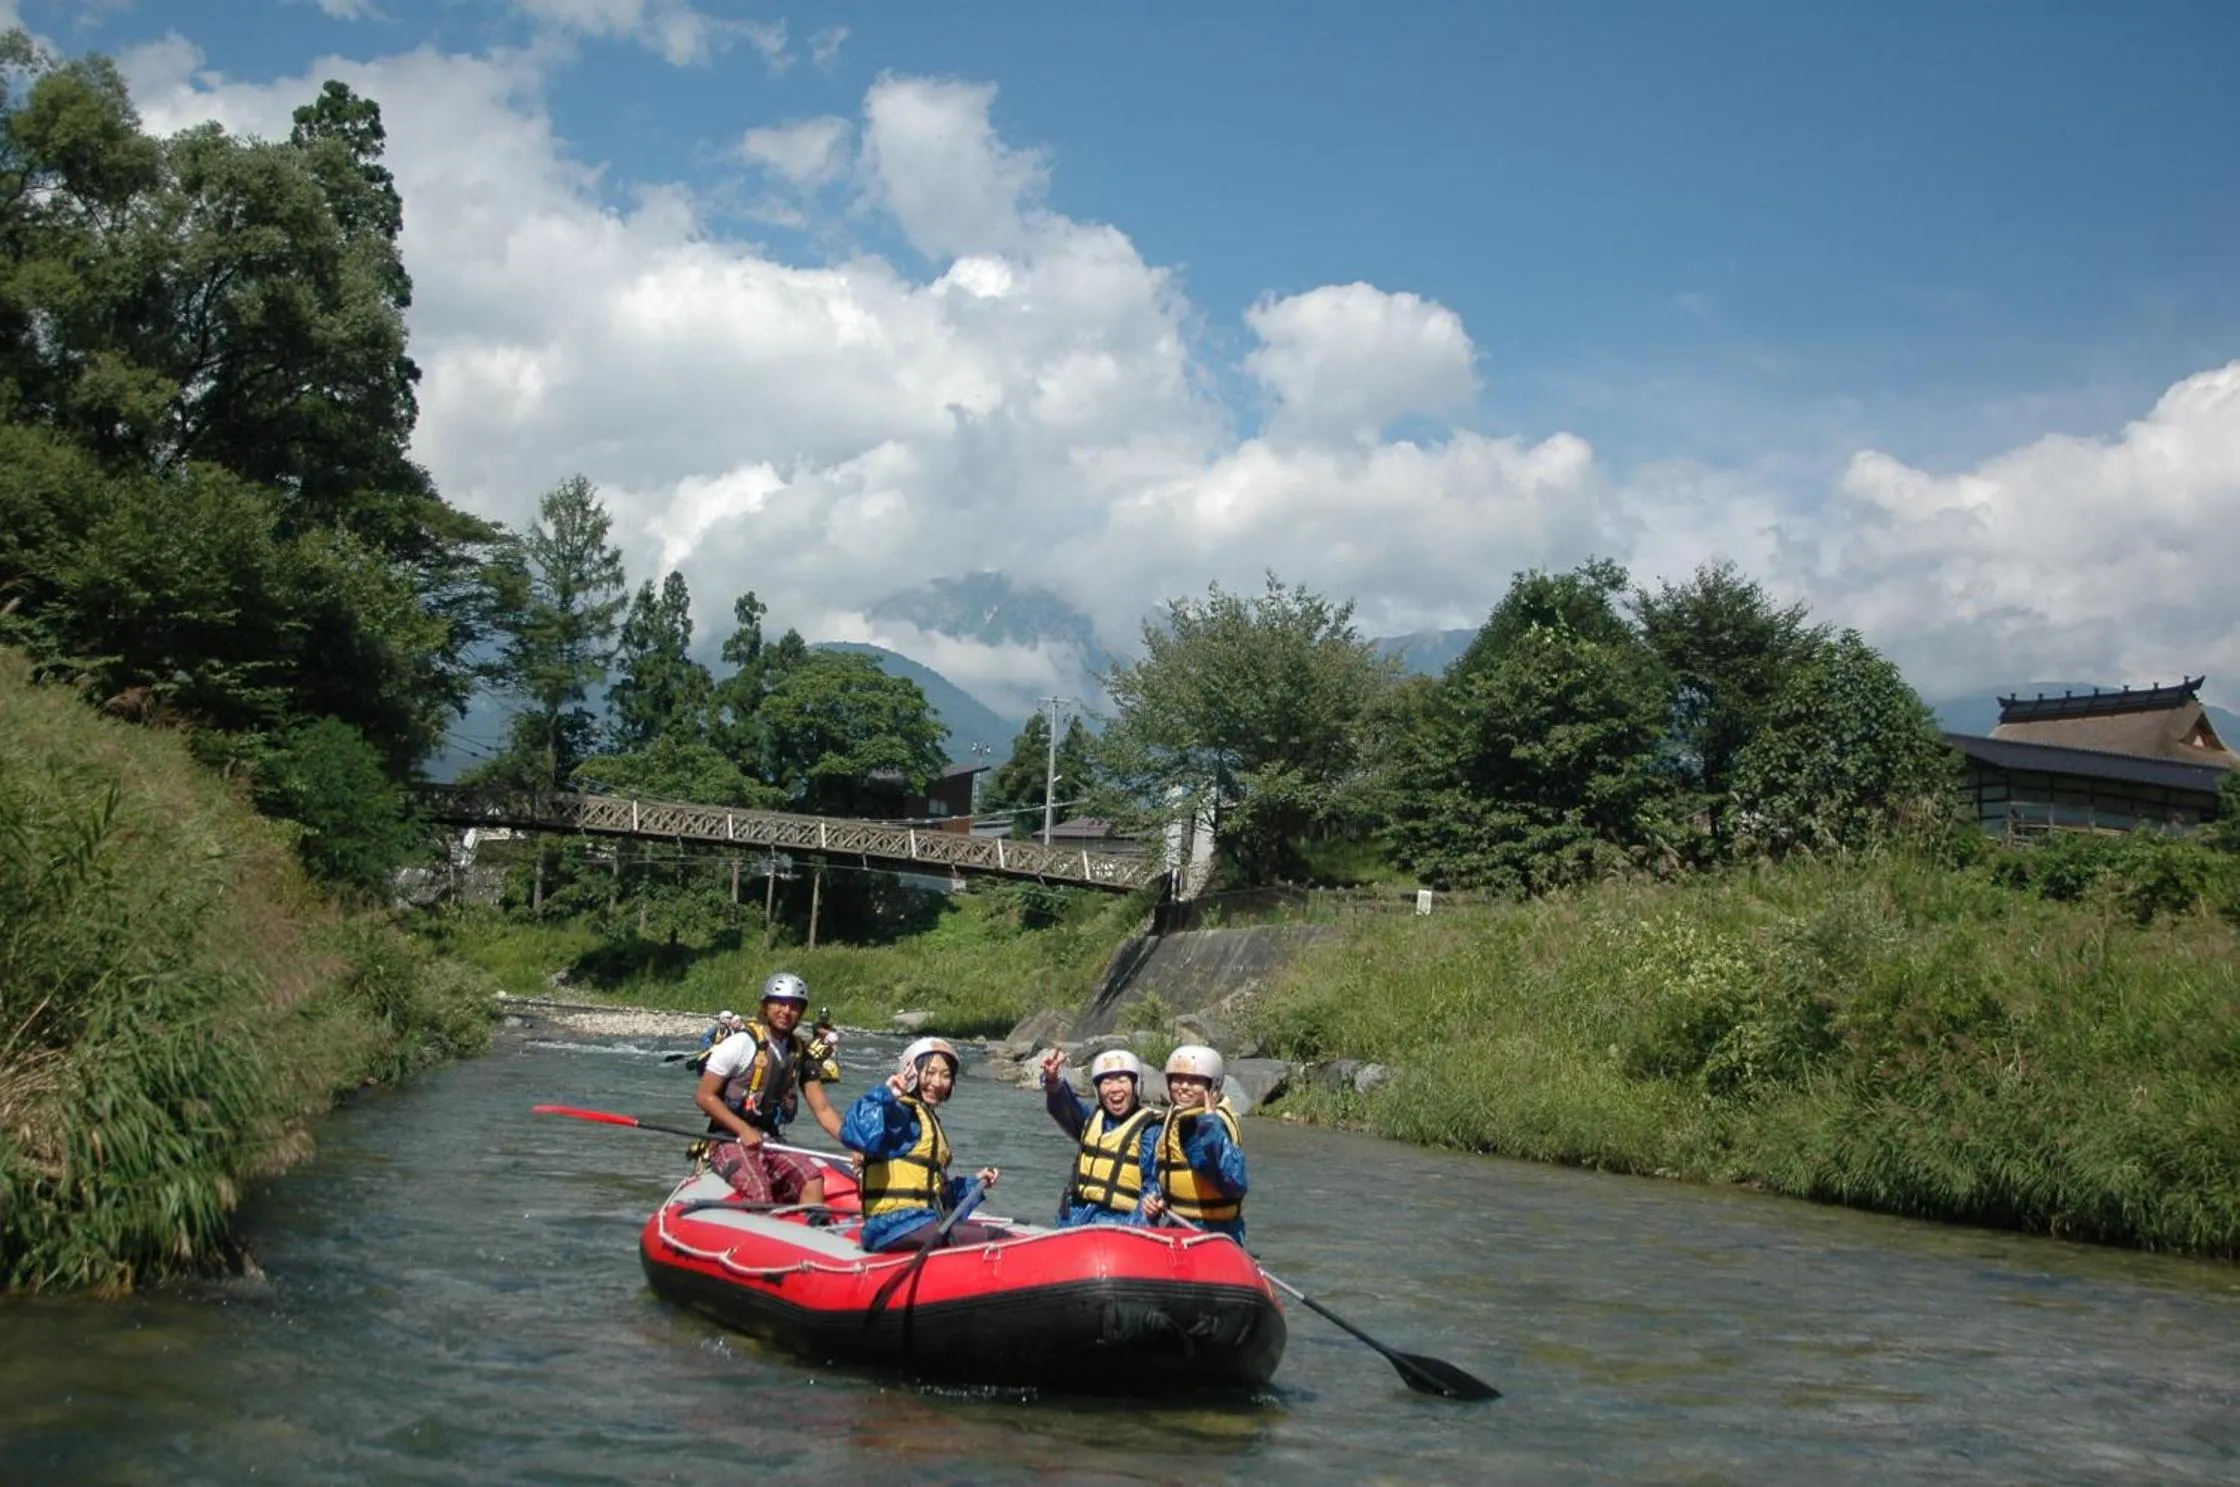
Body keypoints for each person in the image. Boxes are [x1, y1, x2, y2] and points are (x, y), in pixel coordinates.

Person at [841, 1035, 1004, 1252]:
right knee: (998, 1239)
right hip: (894, 1227)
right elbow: (856, 1132)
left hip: (918, 1224)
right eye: (931, 1073)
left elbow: (936, 1199)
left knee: (986, 1235)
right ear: (911, 1073)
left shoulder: (926, 1121)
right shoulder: (901, 1115)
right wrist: (886, 1095)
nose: (937, 1083)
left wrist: (974, 1183)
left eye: (945, 1075)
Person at [694, 973, 844, 1208]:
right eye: (779, 1003)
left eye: (794, 1006)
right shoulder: (741, 1043)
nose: (786, 1011)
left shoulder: (798, 1052)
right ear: (765, 1005)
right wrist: (743, 1129)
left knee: (812, 1180)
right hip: (727, 1139)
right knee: (759, 1191)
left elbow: (823, 1110)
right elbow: (705, 1096)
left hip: (770, 1140)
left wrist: (856, 1146)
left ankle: (810, 1233)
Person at [1040, 1047, 1162, 1227]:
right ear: (1098, 1090)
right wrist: (1052, 1080)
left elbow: (1152, 1186)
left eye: (1122, 1080)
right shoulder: (1090, 1120)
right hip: (1075, 1218)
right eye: (1106, 1082)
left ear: (1136, 1086)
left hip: (1120, 1222)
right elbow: (1064, 1107)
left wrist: (1135, 1229)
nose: (1114, 1089)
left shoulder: (1150, 1129)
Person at [1138, 1044, 1248, 1244]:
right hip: (1179, 1225)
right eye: (1178, 1080)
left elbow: (1232, 1181)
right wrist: (1155, 1200)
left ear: (1212, 1086)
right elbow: (1166, 1174)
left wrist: (1210, 1127)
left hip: (1214, 1232)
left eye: (1194, 1081)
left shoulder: (1209, 1124)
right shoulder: (1177, 1119)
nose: (1184, 1087)